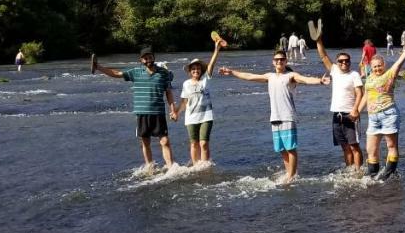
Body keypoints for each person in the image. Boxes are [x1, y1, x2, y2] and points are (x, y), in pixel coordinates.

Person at [219, 52, 328, 184]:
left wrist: (319, 81)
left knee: (290, 148)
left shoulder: (291, 75)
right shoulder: (269, 76)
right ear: (273, 62)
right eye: (277, 60)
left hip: (288, 116)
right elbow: (250, 76)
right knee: (282, 149)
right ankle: (289, 173)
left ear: (286, 61)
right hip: (275, 117)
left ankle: (292, 176)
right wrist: (231, 72)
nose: (279, 61)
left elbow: (305, 79)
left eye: (282, 59)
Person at [93, 47, 179, 173]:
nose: (148, 59)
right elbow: (116, 74)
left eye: (150, 57)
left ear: (154, 58)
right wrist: (98, 67)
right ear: (141, 60)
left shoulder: (164, 73)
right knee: (145, 142)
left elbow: (169, 93)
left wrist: (173, 110)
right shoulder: (135, 72)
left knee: (165, 141)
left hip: (158, 113)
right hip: (142, 112)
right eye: (145, 58)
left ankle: (171, 168)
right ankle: (150, 167)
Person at [362, 38, 405, 180]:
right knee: (370, 149)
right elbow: (367, 95)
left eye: (379, 66)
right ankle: (371, 176)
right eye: (374, 66)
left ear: (384, 65)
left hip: (388, 114)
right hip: (373, 117)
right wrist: (356, 110)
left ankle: (386, 176)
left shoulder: (390, 74)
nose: (377, 69)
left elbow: (400, 62)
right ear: (371, 67)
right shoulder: (369, 78)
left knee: (391, 145)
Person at [315, 28, 365, 170]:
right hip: (336, 116)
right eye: (341, 61)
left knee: (354, 146)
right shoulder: (334, 71)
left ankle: (358, 171)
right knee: (344, 147)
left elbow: (360, 93)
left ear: (350, 62)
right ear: (337, 63)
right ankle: (350, 169)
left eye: (347, 61)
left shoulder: (354, 74)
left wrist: (355, 110)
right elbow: (323, 56)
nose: (344, 63)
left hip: (350, 115)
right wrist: (318, 40)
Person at [178, 35, 228, 166]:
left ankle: (204, 166)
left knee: (204, 142)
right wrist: (176, 113)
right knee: (194, 143)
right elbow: (184, 102)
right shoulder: (186, 83)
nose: (196, 70)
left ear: (201, 70)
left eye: (198, 68)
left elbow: (212, 63)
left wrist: (216, 49)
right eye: (193, 69)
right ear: (190, 71)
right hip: (190, 117)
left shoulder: (206, 79)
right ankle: (195, 166)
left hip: (206, 115)